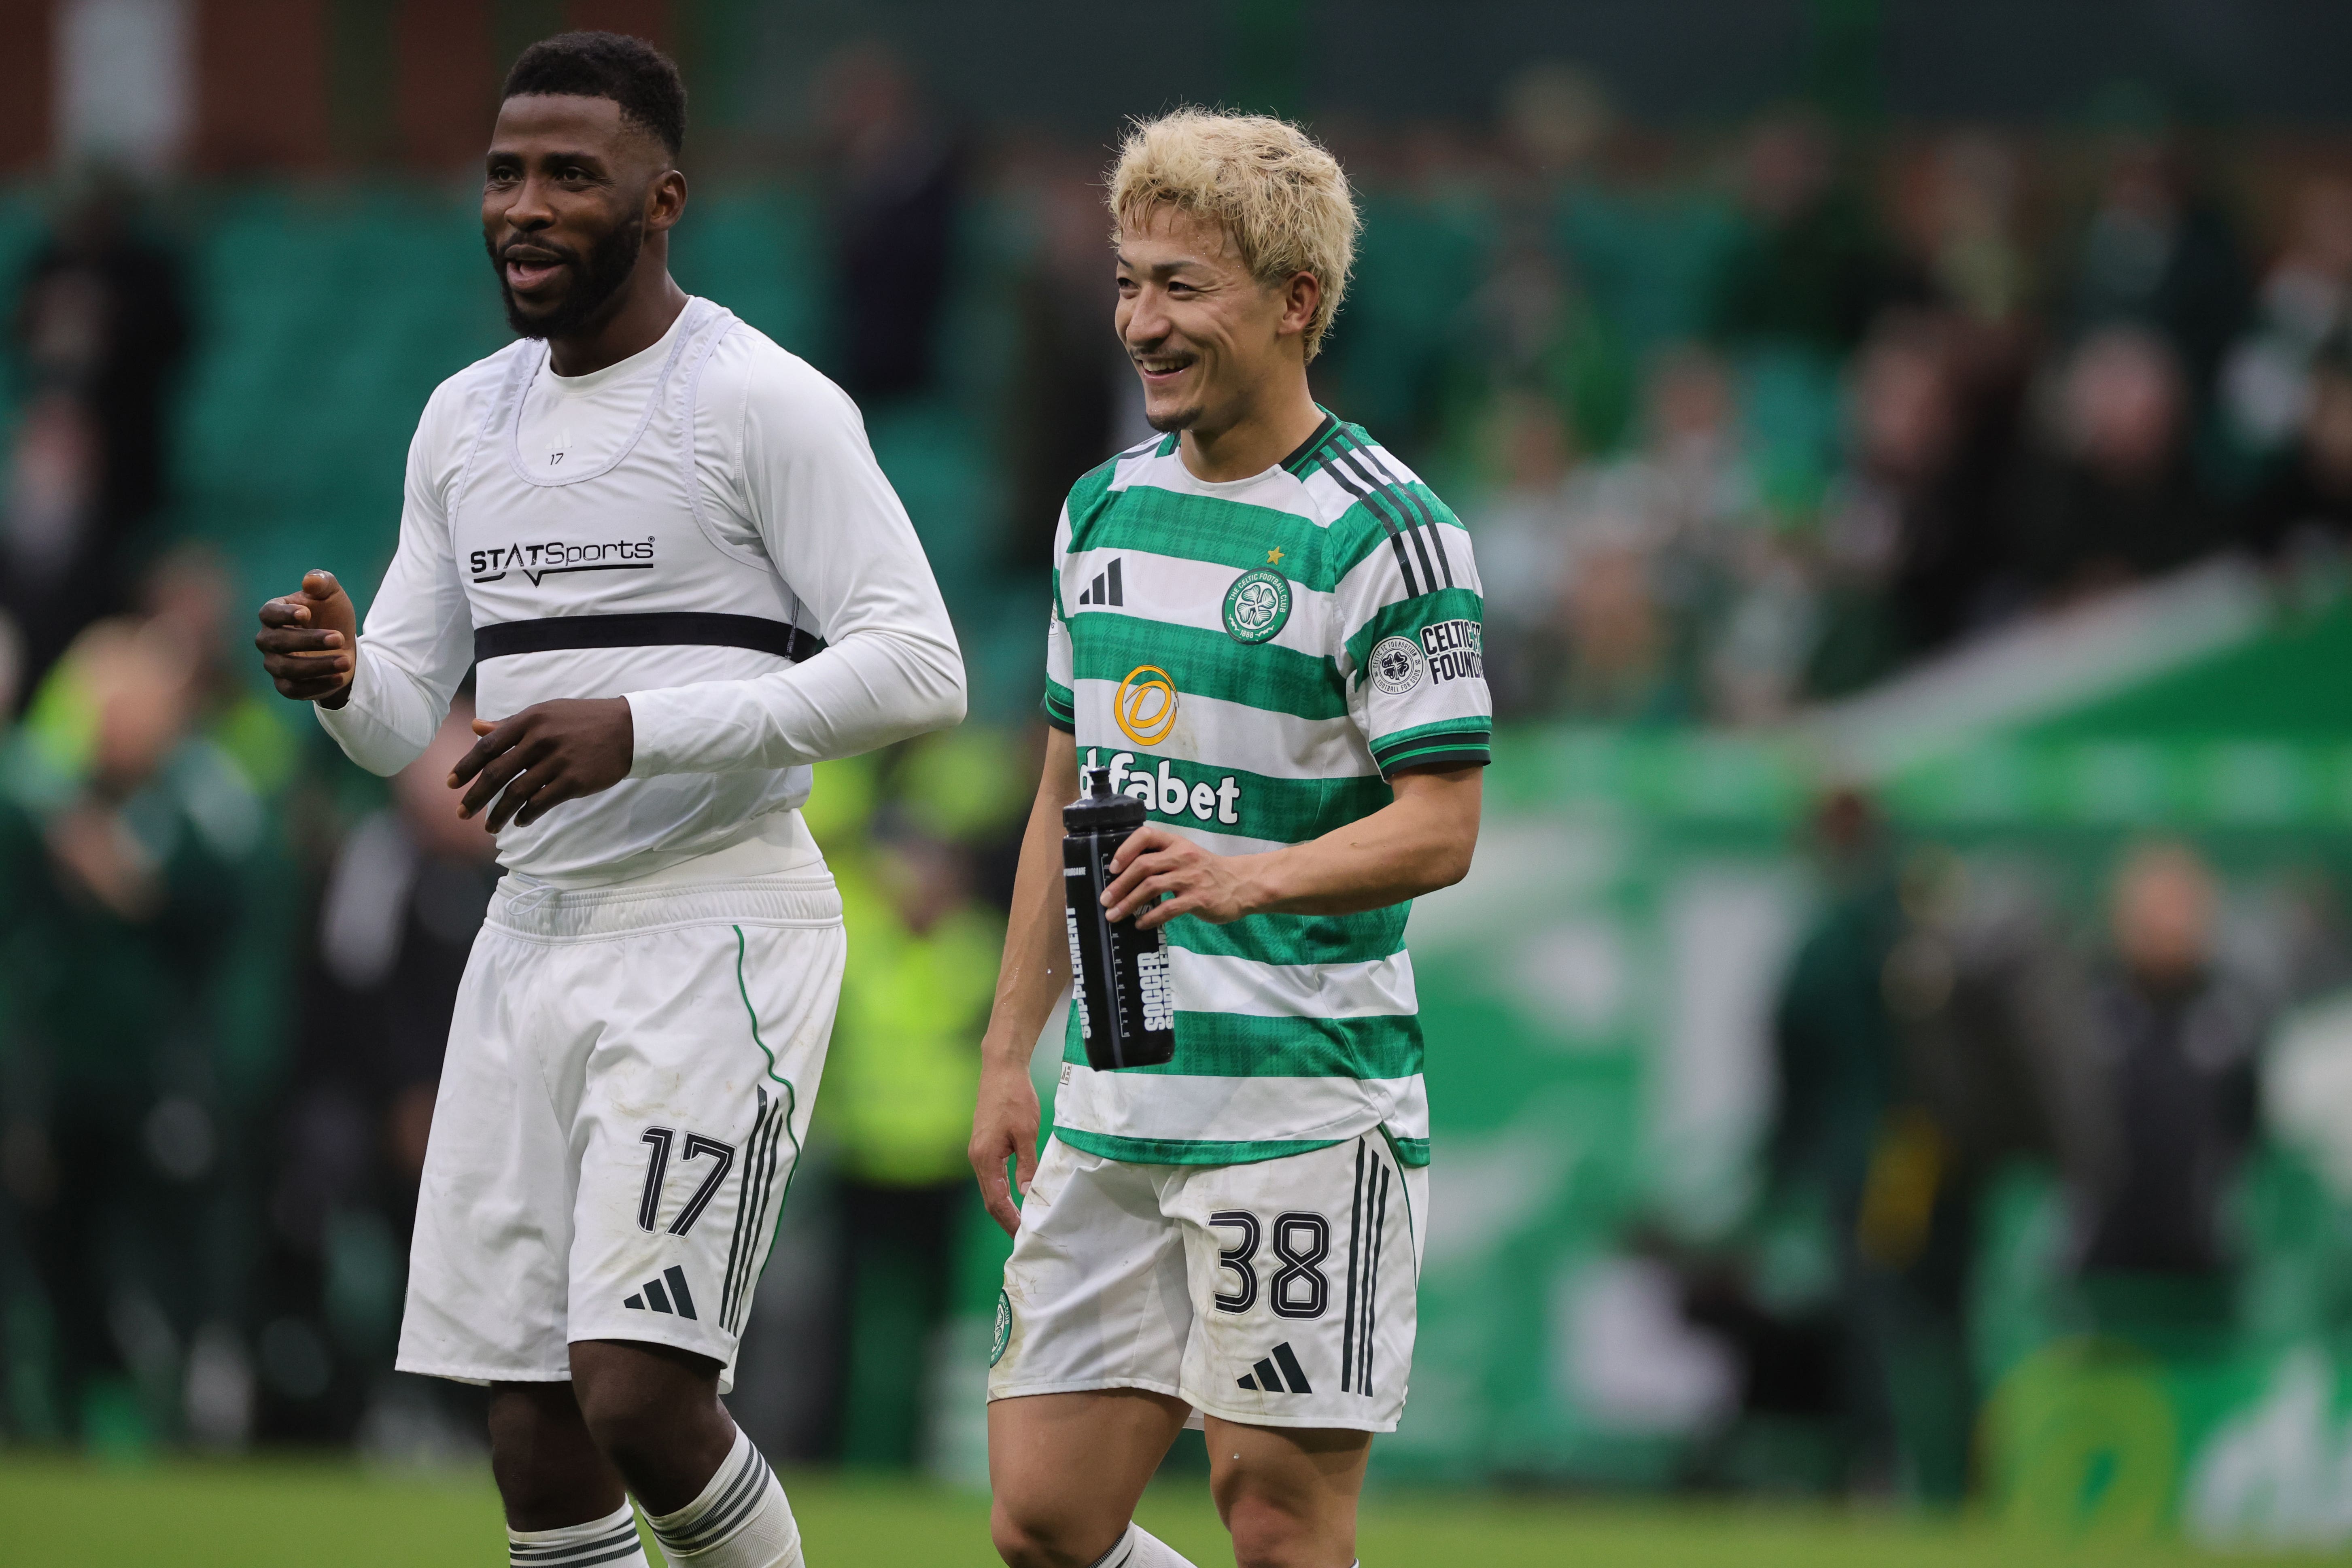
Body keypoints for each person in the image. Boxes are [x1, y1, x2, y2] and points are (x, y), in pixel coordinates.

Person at [250, 33, 964, 1568]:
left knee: (640, 1393)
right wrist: (335, 675)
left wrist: (642, 729)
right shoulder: (463, 420)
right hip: (531, 935)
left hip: (715, 923)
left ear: (664, 198)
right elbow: (398, 723)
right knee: (529, 1428)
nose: (524, 203)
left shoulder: (763, 401)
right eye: (505, 172)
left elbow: (920, 666)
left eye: (571, 174)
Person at [969, 111, 1489, 1568]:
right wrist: (1013, 1050)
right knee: (1042, 1520)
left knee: (1275, 1518)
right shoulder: (1102, 509)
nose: (1142, 321)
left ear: (1294, 302)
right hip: (1121, 1092)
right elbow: (1060, 791)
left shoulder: (1386, 532)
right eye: (1131, 281)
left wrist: (1243, 876)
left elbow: (1443, 825)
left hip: (1305, 1111)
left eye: (1183, 287)